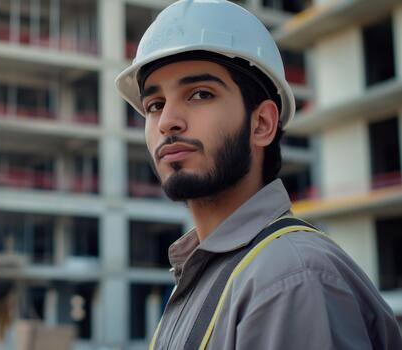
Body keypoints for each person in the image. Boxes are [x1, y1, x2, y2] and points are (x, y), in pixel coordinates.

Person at [115, 0, 402, 349]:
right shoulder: (206, 272)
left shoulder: (288, 277)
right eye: (154, 105)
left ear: (262, 123)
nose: (167, 121)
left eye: (200, 94)